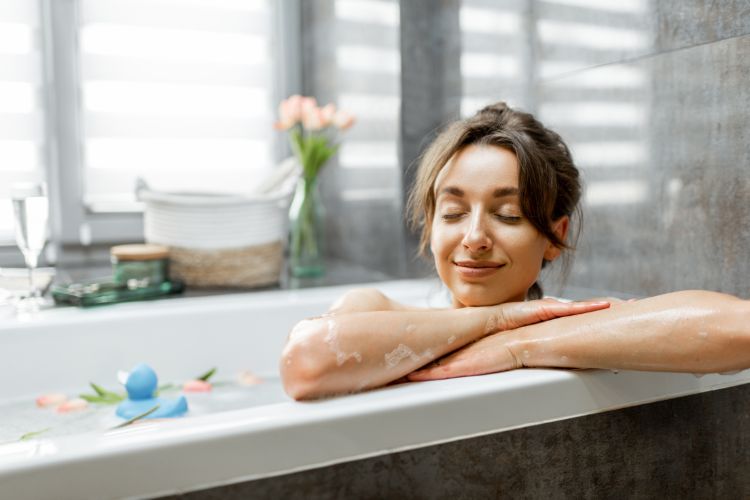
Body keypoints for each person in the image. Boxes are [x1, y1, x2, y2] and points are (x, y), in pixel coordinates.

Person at [280, 102, 750, 400]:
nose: (474, 237)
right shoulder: (377, 309)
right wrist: (493, 320)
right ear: (429, 226)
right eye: (452, 213)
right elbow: (304, 364)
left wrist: (518, 344)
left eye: (508, 215)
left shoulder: (568, 325)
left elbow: (739, 329)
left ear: (553, 236)